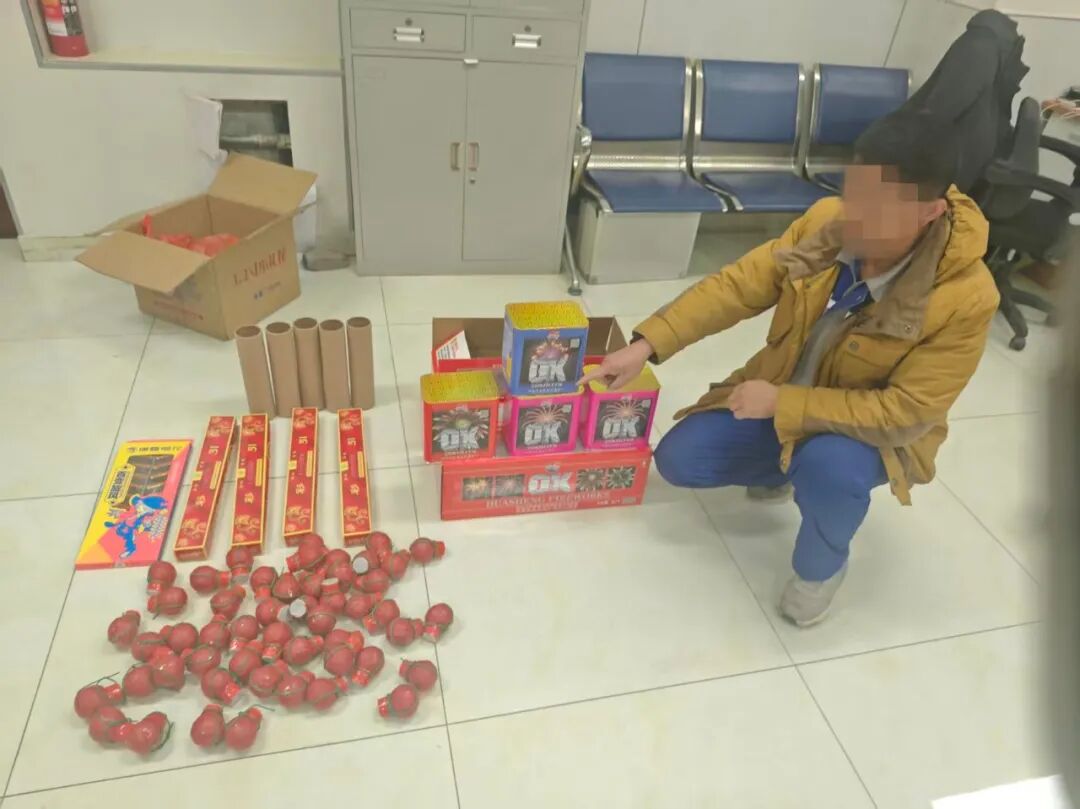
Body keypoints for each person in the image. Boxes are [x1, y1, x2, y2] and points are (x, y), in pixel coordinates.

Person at [581, 109, 999, 627]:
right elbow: (739, 285)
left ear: (929, 212)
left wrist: (783, 403)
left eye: (878, 209)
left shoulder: (966, 297)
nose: (856, 218)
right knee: (681, 459)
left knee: (829, 467)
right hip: (783, 398)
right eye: (853, 194)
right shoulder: (827, 222)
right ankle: (783, 464)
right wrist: (646, 345)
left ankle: (822, 569)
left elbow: (906, 412)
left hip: (865, 436)